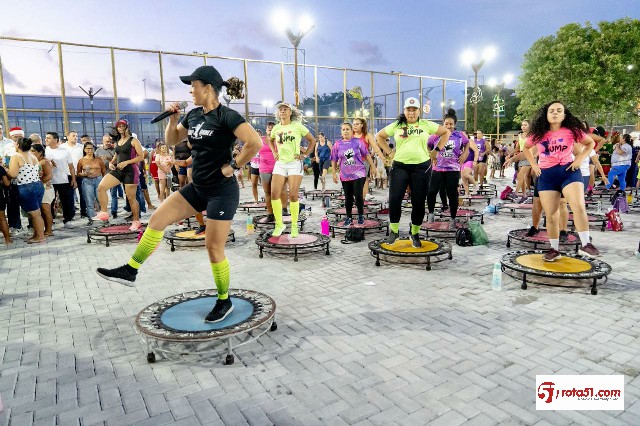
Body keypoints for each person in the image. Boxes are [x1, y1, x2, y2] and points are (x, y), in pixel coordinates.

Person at [97, 65, 261, 323]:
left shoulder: (227, 116)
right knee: (157, 220)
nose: (190, 91)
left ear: (208, 87)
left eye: (193, 86)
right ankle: (131, 270)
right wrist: (173, 121)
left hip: (221, 191)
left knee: (213, 247)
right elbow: (173, 140)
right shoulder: (194, 115)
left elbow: (255, 143)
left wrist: (234, 166)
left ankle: (224, 299)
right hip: (197, 187)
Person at [523, 100, 600, 261]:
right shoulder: (538, 133)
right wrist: (533, 165)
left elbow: (590, 143)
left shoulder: (572, 131)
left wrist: (579, 159)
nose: (555, 113)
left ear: (564, 115)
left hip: (568, 172)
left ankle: (586, 244)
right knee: (551, 214)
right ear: (546, 115)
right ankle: (554, 249)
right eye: (551, 110)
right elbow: (526, 147)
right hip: (547, 175)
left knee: (578, 205)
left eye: (559, 110)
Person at [373, 97, 450, 247]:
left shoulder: (426, 124)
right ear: (404, 111)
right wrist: (390, 152)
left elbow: (445, 132)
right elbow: (379, 136)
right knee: (395, 198)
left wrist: (436, 150)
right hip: (400, 166)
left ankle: (414, 233)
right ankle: (394, 231)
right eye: (408, 109)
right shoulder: (397, 125)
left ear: (419, 111)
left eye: (414, 110)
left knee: (418, 202)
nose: (411, 112)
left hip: (421, 167)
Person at [268, 101, 316, 237]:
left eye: (285, 109)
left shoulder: (298, 126)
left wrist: (305, 155)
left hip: (294, 163)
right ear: (278, 113)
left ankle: (294, 226)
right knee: (274, 194)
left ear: (290, 112)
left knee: (293, 195)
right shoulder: (276, 128)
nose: (282, 111)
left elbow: (312, 140)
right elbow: (270, 140)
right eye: (280, 109)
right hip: (280, 164)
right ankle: (279, 224)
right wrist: (274, 151)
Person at [92, 119, 145, 231]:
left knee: (131, 198)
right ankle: (104, 212)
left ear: (127, 127)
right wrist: (111, 163)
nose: (120, 128)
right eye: (119, 126)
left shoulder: (133, 140)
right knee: (101, 187)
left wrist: (127, 162)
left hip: (131, 171)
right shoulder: (118, 141)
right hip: (119, 170)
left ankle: (136, 221)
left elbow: (141, 157)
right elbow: (117, 155)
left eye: (122, 126)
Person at [426, 109, 469, 229]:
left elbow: (467, 144)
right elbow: (428, 145)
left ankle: (452, 218)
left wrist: (464, 154)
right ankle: (431, 213)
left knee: (452, 194)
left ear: (455, 124)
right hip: (438, 168)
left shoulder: (460, 135)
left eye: (451, 124)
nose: (449, 126)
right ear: (443, 124)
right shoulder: (436, 135)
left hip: (453, 169)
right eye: (446, 124)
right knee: (431, 192)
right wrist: (432, 155)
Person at [330, 123, 375, 225]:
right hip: (345, 175)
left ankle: (360, 216)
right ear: (341, 132)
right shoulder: (337, 144)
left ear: (351, 131)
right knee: (348, 197)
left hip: (359, 173)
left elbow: (366, 154)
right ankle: (349, 217)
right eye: (343, 129)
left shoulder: (358, 142)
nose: (345, 131)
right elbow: (333, 159)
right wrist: (333, 173)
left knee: (358, 195)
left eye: (347, 129)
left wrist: (373, 166)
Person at [7, 137, 45, 243]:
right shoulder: (33, 156)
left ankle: (40, 237)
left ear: (18, 145)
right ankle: (36, 235)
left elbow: (13, 174)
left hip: (26, 187)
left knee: (35, 214)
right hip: (38, 185)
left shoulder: (16, 157)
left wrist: (6, 170)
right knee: (36, 212)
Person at [45, 131, 77, 228]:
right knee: (50, 202)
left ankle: (67, 220)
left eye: (48, 138)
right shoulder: (45, 150)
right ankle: (51, 222)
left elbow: (71, 166)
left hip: (63, 179)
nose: (46, 139)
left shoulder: (64, 151)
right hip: (49, 180)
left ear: (55, 139)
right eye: (46, 138)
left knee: (66, 201)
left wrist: (74, 179)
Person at [259, 121, 287, 222]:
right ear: (266, 130)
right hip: (264, 168)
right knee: (267, 192)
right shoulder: (260, 140)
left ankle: (284, 209)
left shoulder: (280, 139)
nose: (270, 130)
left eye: (272, 128)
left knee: (281, 189)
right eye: (269, 128)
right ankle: (270, 214)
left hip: (279, 168)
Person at [76, 142, 107, 225]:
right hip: (87, 181)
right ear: (84, 150)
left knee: (101, 200)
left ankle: (104, 218)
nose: (90, 150)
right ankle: (91, 218)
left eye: (91, 148)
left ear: (94, 149)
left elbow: (104, 171)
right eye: (88, 148)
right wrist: (83, 174)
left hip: (99, 180)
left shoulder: (98, 159)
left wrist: (105, 182)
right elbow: (78, 173)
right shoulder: (81, 160)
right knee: (89, 202)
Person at [30, 144, 54, 237]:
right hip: (38, 188)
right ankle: (42, 230)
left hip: (46, 188)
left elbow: (49, 176)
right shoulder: (34, 161)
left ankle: (49, 230)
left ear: (40, 152)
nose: (31, 153)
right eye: (30, 151)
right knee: (39, 211)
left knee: (46, 209)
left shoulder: (44, 162)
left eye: (33, 151)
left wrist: (39, 183)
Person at [352, 118, 376, 198]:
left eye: (357, 124)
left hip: (364, 161)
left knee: (363, 178)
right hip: (352, 161)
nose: (355, 126)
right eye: (353, 124)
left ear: (362, 125)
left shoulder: (367, 135)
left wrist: (373, 164)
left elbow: (375, 147)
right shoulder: (350, 135)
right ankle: (356, 196)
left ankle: (364, 196)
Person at [515, 120, 532, 198]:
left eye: (525, 125)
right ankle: (524, 194)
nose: (523, 127)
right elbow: (517, 148)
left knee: (520, 174)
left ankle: (515, 193)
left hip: (529, 156)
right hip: (521, 156)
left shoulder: (532, 135)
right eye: (522, 125)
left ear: (529, 126)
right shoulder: (519, 136)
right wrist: (510, 156)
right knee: (522, 176)